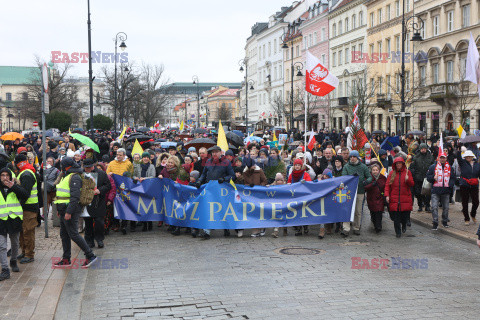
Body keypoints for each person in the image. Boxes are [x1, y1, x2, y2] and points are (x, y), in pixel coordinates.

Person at [53, 157, 97, 269]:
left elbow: (75, 197)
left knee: (73, 234)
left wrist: (69, 212)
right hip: (63, 209)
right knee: (64, 234)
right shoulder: (67, 175)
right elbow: (61, 195)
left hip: (71, 209)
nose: (61, 167)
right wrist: (60, 210)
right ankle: (66, 259)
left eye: (62, 165)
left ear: (67, 166)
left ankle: (90, 255)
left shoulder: (75, 177)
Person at [196, 146, 234, 240]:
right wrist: (199, 181)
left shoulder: (226, 162)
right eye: (213, 152)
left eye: (216, 152)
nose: (214, 154)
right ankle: (206, 232)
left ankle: (226, 228)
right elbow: (204, 174)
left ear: (221, 153)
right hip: (210, 189)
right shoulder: (208, 162)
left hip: (222, 189)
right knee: (209, 209)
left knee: (223, 209)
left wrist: (224, 179)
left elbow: (232, 175)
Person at [14, 154, 39, 264]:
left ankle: (29, 254)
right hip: (24, 207)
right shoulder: (24, 172)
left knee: (28, 231)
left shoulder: (27, 173)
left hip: (29, 208)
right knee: (22, 231)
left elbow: (25, 193)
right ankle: (24, 251)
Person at [0, 168, 24, 280]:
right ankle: (5, 269)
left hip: (14, 219)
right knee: (2, 246)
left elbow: (25, 195)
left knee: (15, 243)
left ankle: (13, 261)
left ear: (10, 177)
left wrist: (13, 187)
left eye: (7, 175)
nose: (5, 177)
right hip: (1, 220)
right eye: (2, 175)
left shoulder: (15, 186)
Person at [341, 150, 372, 237]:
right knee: (347, 210)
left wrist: (366, 182)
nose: (352, 158)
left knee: (358, 211)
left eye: (354, 157)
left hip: (360, 191)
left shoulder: (363, 167)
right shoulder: (346, 167)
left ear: (357, 157)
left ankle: (356, 227)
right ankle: (346, 228)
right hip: (349, 192)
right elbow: (344, 177)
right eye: (351, 157)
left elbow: (369, 177)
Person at [83, 159, 111, 248]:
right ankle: (89, 241)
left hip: (98, 202)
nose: (87, 170)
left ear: (93, 166)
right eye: (86, 168)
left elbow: (108, 186)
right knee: (88, 223)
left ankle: (99, 239)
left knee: (99, 222)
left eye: (89, 168)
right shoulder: (81, 174)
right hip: (86, 202)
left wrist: (100, 190)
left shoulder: (101, 174)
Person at [384, 157, 414, 238]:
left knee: (404, 216)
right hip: (395, 198)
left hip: (405, 199)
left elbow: (411, 184)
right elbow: (387, 185)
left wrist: (407, 180)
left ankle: (404, 225)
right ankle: (398, 232)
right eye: (397, 163)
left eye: (400, 163)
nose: (398, 165)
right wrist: (387, 195)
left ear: (403, 164)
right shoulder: (391, 173)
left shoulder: (407, 172)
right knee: (396, 218)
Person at [106, 148, 133, 234]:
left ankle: (124, 225)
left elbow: (131, 175)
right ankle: (116, 224)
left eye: (120, 155)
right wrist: (109, 174)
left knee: (124, 205)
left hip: (124, 188)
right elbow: (107, 174)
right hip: (114, 188)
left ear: (124, 155)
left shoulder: (128, 164)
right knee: (115, 206)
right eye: (117, 155)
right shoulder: (111, 163)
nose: (118, 156)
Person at [426, 151, 455, 230]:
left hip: (446, 191)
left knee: (446, 208)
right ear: (438, 158)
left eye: (444, 158)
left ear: (446, 158)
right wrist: (433, 178)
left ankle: (444, 221)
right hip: (435, 190)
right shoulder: (433, 167)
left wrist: (450, 185)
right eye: (441, 158)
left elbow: (452, 178)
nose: (442, 159)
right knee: (434, 207)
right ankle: (435, 222)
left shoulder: (450, 168)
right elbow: (428, 177)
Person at [242, 157, 267, 237]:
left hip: (259, 194)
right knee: (253, 211)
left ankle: (262, 227)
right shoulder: (245, 172)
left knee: (260, 211)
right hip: (250, 195)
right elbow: (244, 183)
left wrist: (259, 187)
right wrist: (249, 186)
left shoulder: (259, 170)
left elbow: (264, 180)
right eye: (251, 165)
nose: (253, 166)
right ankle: (255, 229)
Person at [287, 158, 312, 236]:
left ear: (301, 166)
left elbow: (310, 183)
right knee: (297, 212)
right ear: (294, 166)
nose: (297, 166)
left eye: (299, 165)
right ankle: (298, 229)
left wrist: (305, 182)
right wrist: (288, 184)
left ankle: (305, 227)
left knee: (304, 212)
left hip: (304, 196)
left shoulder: (305, 174)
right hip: (295, 196)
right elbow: (288, 183)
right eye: (296, 165)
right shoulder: (292, 174)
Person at [457, 149, 480, 225]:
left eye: (469, 156)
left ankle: (473, 214)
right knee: (465, 202)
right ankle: (466, 218)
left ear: (472, 156)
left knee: (476, 202)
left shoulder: (477, 164)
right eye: (466, 156)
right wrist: (460, 149)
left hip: (474, 185)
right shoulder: (463, 163)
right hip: (464, 184)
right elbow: (458, 156)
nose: (468, 158)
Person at [410, 143, 433, 212]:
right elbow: (412, 167)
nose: (423, 150)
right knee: (418, 193)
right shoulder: (416, 157)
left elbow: (432, 165)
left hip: (427, 177)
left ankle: (427, 205)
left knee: (428, 193)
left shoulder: (430, 157)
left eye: (424, 149)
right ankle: (420, 205)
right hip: (418, 177)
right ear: (420, 149)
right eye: (422, 149)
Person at [364, 162, 387, 233]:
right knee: (373, 212)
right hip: (371, 198)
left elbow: (386, 187)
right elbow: (365, 187)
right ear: (371, 170)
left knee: (379, 212)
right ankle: (375, 224)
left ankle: (378, 226)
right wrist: (372, 184)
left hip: (380, 198)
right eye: (373, 170)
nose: (375, 171)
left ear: (379, 170)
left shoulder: (383, 178)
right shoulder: (369, 178)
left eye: (376, 170)